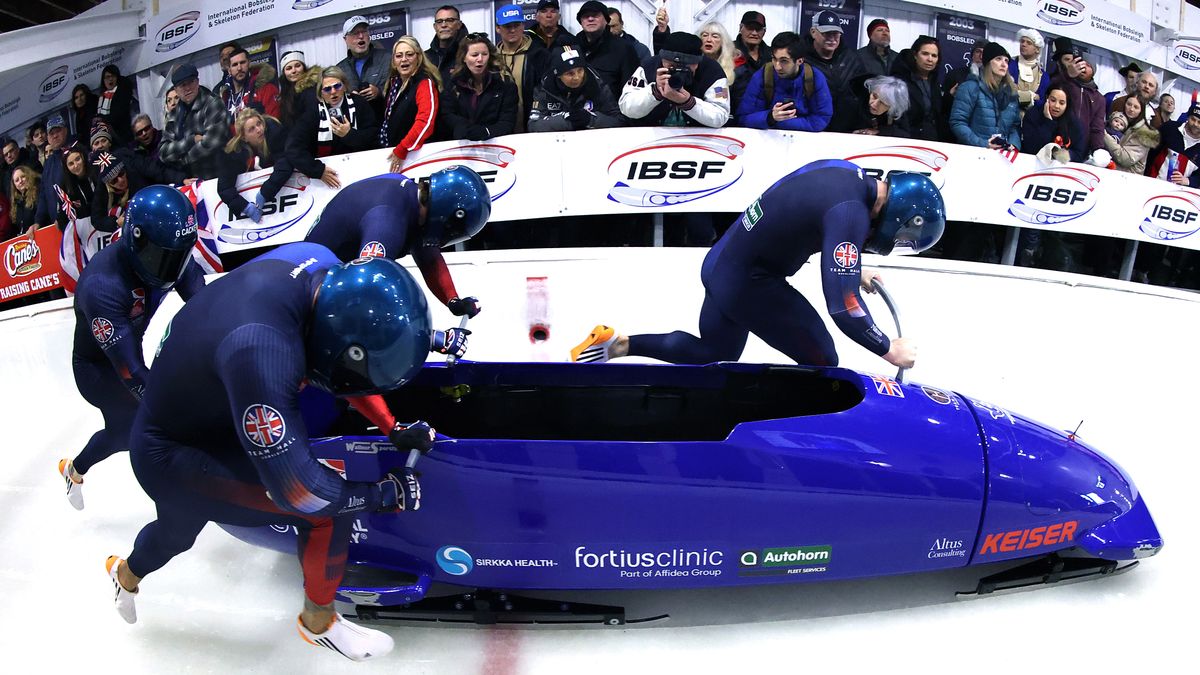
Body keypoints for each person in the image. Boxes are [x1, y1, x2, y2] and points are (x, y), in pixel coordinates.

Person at [104, 248, 468, 661]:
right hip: (171, 455)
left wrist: (391, 427)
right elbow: (300, 491)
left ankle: (124, 573)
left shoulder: (318, 268)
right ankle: (320, 622)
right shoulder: (262, 349)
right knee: (325, 510)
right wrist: (379, 495)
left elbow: (344, 370)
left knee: (177, 532)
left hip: (206, 411)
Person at [569, 161, 945, 369]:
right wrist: (887, 348)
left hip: (721, 263)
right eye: (901, 239)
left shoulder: (844, 174)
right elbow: (843, 306)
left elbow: (801, 220)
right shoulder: (850, 214)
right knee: (823, 362)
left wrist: (850, 265)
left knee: (715, 353)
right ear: (901, 217)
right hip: (749, 282)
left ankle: (620, 345)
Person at [57, 186, 206, 511]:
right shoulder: (102, 287)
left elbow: (205, 307)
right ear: (135, 240)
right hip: (98, 371)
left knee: (123, 433)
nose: (170, 268)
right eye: (161, 258)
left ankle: (74, 469)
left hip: (126, 351)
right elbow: (131, 372)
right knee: (151, 429)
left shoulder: (171, 254)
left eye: (177, 257)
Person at [304, 167, 488, 320]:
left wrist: (453, 300)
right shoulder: (387, 223)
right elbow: (365, 292)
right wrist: (434, 338)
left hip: (324, 264)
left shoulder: (409, 194)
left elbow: (428, 256)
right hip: (311, 284)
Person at [285, 66, 379, 190]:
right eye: (327, 89)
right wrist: (318, 171)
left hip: (361, 171)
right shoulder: (314, 113)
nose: (333, 92)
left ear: (345, 86)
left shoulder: (358, 103)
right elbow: (293, 148)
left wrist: (349, 135)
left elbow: (374, 136)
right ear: (321, 93)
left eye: (337, 86)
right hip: (329, 179)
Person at [620, 31, 730, 129]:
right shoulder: (649, 67)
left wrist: (689, 103)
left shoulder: (713, 72)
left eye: (685, 67)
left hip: (697, 139)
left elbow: (721, 115)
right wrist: (654, 92)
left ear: (697, 63)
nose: (678, 71)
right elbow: (626, 107)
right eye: (672, 66)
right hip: (652, 137)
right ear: (662, 59)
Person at [735, 34, 832, 132]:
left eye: (784, 61)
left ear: (799, 61)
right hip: (769, 140)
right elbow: (744, 117)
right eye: (774, 58)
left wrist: (780, 122)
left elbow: (821, 119)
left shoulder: (815, 78)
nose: (777, 66)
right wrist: (770, 117)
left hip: (803, 139)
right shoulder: (762, 76)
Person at [438, 33, 519, 141]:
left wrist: (487, 131)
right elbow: (447, 114)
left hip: (497, 143)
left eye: (484, 54)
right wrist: (464, 127)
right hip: (462, 144)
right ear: (464, 58)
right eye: (474, 55)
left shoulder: (505, 83)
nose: (480, 59)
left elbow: (507, 120)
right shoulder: (453, 83)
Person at [218, 109, 292, 224]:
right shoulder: (235, 151)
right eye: (251, 129)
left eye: (259, 124)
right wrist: (245, 208)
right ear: (244, 137)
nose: (258, 130)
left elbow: (286, 164)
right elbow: (224, 187)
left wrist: (265, 193)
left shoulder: (274, 132)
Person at [380, 36, 441, 172]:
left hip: (417, 156)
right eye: (399, 55)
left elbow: (425, 122)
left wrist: (403, 148)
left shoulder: (424, 83)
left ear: (418, 57)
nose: (404, 59)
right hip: (396, 153)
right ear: (394, 61)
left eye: (409, 54)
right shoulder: (393, 84)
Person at [158, 64, 229, 180]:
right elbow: (163, 153)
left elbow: (212, 142)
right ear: (176, 90)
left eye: (190, 82)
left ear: (197, 82)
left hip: (217, 177)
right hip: (189, 181)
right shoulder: (173, 115)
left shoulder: (213, 103)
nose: (187, 88)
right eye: (182, 85)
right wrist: (191, 140)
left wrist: (182, 160)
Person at [529, 46, 623, 131]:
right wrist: (567, 120)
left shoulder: (597, 85)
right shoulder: (545, 89)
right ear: (558, 75)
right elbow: (533, 125)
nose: (577, 77)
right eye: (570, 73)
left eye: (580, 70)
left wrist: (591, 120)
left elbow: (618, 121)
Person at [801, 10, 865, 133]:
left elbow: (863, 95)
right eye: (826, 33)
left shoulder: (852, 58)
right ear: (813, 32)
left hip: (848, 133)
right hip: (812, 131)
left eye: (836, 33)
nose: (832, 38)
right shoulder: (801, 60)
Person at [949, 42, 1021, 150]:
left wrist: (1014, 145)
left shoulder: (1011, 93)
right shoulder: (970, 87)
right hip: (974, 155)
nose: (1003, 64)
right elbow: (957, 122)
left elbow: (1014, 127)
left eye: (1006, 60)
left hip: (1002, 158)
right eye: (998, 59)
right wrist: (983, 144)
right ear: (987, 62)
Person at [496, 3, 550, 133]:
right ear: (498, 28)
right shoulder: (491, 58)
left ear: (523, 26)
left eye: (516, 25)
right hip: (499, 130)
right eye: (507, 26)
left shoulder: (540, 55)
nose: (513, 30)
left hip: (531, 129)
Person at [574, 0, 639, 100]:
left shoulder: (624, 48)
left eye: (595, 15)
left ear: (606, 20)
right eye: (586, 16)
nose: (590, 19)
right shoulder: (572, 47)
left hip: (612, 112)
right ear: (581, 22)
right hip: (577, 111)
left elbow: (632, 91)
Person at [891, 36, 945, 142]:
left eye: (934, 55)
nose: (930, 59)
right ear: (915, 55)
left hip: (932, 142)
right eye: (925, 54)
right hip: (906, 141)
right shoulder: (899, 81)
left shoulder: (934, 82)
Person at [335, 15, 389, 111]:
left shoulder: (387, 58)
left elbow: (399, 90)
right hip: (356, 123)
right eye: (355, 33)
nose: (360, 36)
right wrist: (349, 98)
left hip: (384, 120)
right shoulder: (339, 69)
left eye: (364, 31)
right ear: (345, 39)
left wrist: (378, 92)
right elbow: (335, 100)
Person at [222, 47, 281, 123]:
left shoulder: (266, 88)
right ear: (229, 70)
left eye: (242, 62)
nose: (239, 68)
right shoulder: (224, 96)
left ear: (249, 63)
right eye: (235, 65)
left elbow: (274, 122)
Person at [1104, 97, 1159, 175]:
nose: (1131, 109)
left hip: (1129, 178)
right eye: (1129, 104)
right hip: (1115, 172)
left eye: (1136, 107)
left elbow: (1125, 158)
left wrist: (1104, 135)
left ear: (1141, 110)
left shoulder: (1144, 133)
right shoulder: (1125, 124)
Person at [55, 145, 96, 230]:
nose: (76, 165)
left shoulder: (95, 172)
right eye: (71, 164)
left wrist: (81, 210)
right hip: (83, 231)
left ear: (83, 158)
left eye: (77, 159)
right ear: (66, 167)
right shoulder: (65, 186)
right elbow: (63, 217)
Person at [426, 5, 469, 82]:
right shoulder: (426, 58)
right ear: (435, 27)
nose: (444, 25)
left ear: (459, 24)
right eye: (439, 21)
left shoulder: (468, 54)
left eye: (449, 20)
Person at [1011, 28, 1048, 117]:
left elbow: (1042, 103)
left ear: (1037, 49)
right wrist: (1032, 96)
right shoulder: (1009, 65)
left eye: (1029, 43)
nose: (1023, 44)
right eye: (1022, 41)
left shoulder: (1044, 76)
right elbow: (1007, 94)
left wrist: (1019, 94)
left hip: (1030, 123)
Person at [96, 65, 136, 146]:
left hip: (125, 135)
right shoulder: (101, 97)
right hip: (108, 140)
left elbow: (119, 114)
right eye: (107, 77)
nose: (110, 79)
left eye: (113, 76)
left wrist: (103, 119)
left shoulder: (122, 92)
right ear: (103, 80)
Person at [277, 51, 314, 128]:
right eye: (289, 68)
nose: (294, 71)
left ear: (304, 67)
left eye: (297, 66)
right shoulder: (284, 95)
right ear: (284, 73)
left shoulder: (313, 89)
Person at [9, 165, 39, 234]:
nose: (20, 181)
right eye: (17, 180)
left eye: (23, 177)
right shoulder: (16, 202)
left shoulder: (38, 191)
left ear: (29, 176)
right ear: (15, 186)